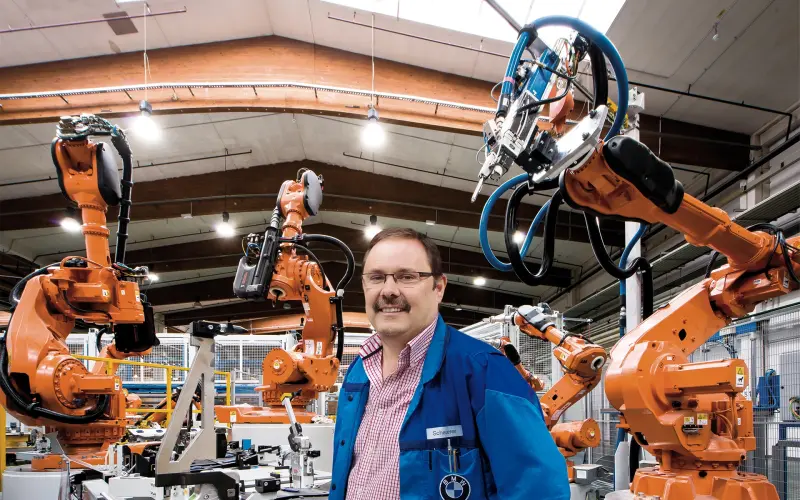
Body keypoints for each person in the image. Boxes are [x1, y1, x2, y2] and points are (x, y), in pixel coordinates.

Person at [330, 228, 569, 500]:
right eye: (376, 278)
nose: (389, 291)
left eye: (407, 277)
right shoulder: (357, 373)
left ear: (439, 288)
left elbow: (539, 490)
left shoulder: (485, 372)